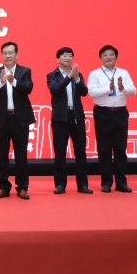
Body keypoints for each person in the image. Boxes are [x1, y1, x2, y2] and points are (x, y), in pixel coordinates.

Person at [0, 42, 36, 200]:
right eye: (5, 53)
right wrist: (0, 83)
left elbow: (28, 88)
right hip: (2, 119)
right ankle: (3, 187)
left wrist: (13, 81)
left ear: (17, 54)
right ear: (2, 55)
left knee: (21, 155)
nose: (8, 56)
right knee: (2, 155)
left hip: (20, 119)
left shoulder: (24, 71)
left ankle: (22, 187)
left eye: (11, 52)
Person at [87, 45, 137, 193]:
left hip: (120, 112)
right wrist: (108, 89)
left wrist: (122, 88)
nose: (108, 57)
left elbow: (134, 91)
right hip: (103, 113)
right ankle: (106, 182)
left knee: (120, 149)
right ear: (100, 58)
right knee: (104, 149)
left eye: (111, 55)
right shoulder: (94, 74)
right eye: (105, 55)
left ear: (116, 57)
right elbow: (92, 93)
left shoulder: (124, 73)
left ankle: (121, 182)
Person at [47, 47, 92, 195]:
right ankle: (60, 184)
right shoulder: (52, 75)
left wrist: (77, 78)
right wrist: (69, 77)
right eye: (64, 55)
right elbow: (55, 90)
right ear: (58, 59)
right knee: (60, 152)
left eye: (70, 55)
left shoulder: (78, 75)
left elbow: (84, 92)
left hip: (77, 117)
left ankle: (82, 184)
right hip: (60, 118)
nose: (67, 58)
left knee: (80, 152)